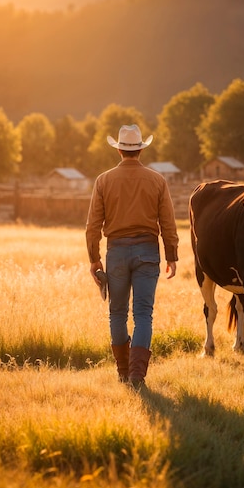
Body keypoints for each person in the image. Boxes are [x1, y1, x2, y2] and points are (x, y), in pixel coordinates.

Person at [86, 124, 179, 388]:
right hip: (148, 251)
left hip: (115, 253)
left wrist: (94, 259)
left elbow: (92, 225)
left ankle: (123, 372)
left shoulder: (103, 180)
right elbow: (168, 223)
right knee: (143, 315)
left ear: (118, 150)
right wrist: (171, 254)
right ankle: (137, 377)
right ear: (140, 149)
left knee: (117, 313)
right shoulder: (157, 180)